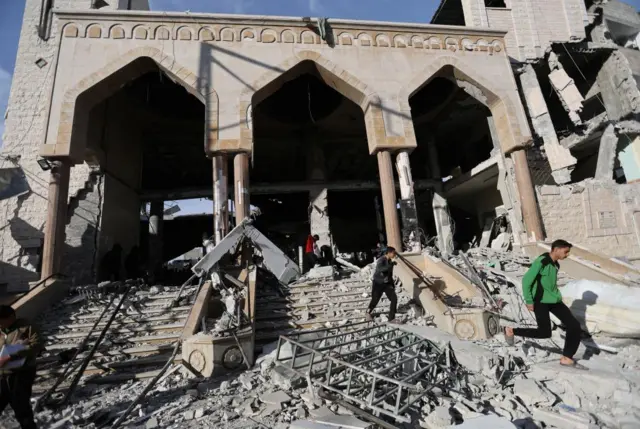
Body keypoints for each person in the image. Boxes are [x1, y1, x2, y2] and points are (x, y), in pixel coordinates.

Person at [505, 239, 586, 369]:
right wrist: (529, 301)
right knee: (544, 332)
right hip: (540, 301)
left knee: (574, 326)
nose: (567, 255)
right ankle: (511, 331)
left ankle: (567, 357)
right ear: (557, 249)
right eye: (566, 252)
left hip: (554, 301)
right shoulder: (541, 262)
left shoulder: (556, 264)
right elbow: (526, 281)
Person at [0, 305, 43, 429]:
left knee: (21, 406)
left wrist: (12, 356)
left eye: (1, 321)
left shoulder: (26, 327)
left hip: (21, 373)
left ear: (11, 317)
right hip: (2, 374)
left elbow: (37, 345)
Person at [366, 246, 400, 323]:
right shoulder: (381, 260)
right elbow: (381, 269)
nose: (394, 255)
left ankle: (391, 318)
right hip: (378, 283)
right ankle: (368, 312)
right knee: (375, 299)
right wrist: (391, 265)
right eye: (393, 253)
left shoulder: (390, 261)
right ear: (389, 253)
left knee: (394, 298)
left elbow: (389, 274)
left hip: (387, 284)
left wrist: (392, 285)